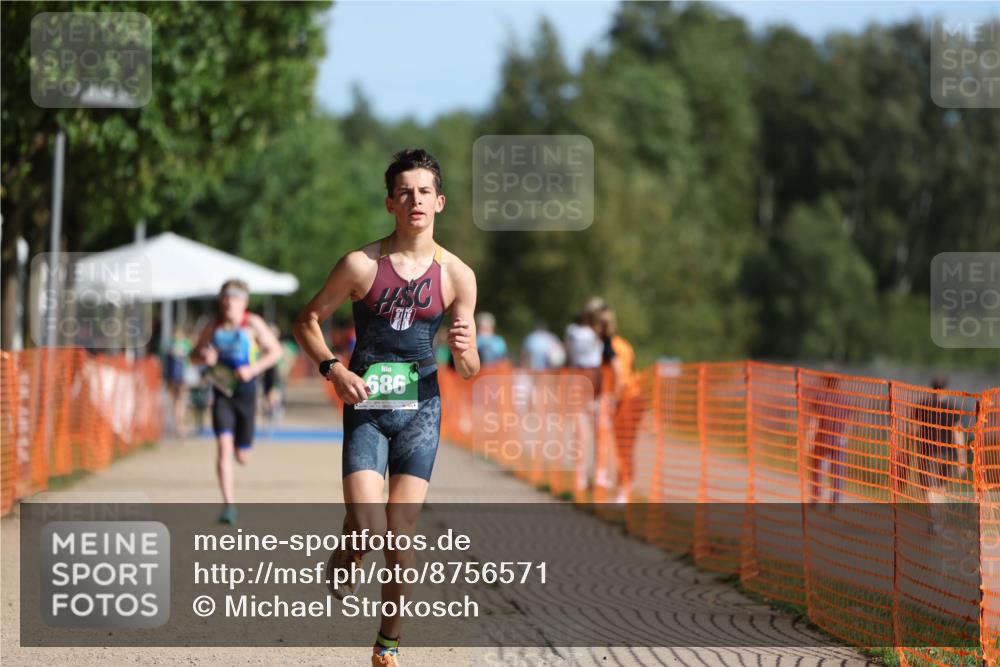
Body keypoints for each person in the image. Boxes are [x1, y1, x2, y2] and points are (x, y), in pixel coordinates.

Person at [293, 148, 479, 667]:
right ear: (390, 204)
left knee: (399, 533)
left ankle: (387, 645)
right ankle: (347, 552)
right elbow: (306, 321)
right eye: (404, 192)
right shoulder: (360, 265)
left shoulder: (458, 275)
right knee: (368, 528)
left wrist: (466, 352)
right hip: (368, 408)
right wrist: (335, 370)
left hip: (421, 411)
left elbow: (469, 369)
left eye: (424, 192)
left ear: (439, 202)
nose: (414, 200)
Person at [191, 279, 283, 525]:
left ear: (244, 302)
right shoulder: (213, 327)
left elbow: (276, 352)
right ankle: (229, 505)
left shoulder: (252, 324)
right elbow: (194, 357)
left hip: (246, 394)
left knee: (242, 456)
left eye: (234, 298)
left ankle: (240, 449)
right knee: (223, 447)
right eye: (226, 298)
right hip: (222, 394)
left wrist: (253, 370)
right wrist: (204, 357)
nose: (229, 302)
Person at [594, 307, 644, 504]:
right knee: (622, 447)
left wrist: (612, 401)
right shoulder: (621, 344)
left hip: (628, 400)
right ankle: (622, 489)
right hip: (629, 398)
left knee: (624, 447)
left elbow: (620, 377)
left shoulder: (612, 347)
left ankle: (624, 492)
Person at [805, 376, 850, 506]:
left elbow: (815, 419)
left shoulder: (820, 397)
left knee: (818, 469)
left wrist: (809, 437)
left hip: (822, 439)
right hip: (839, 440)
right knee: (837, 471)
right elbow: (848, 423)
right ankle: (835, 500)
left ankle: (816, 496)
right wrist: (844, 437)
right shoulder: (845, 400)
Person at [163, 325, 193, 437]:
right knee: (181, 402)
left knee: (175, 402)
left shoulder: (169, 344)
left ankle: (177, 425)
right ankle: (180, 426)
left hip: (172, 377)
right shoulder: (185, 344)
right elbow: (192, 357)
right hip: (181, 377)